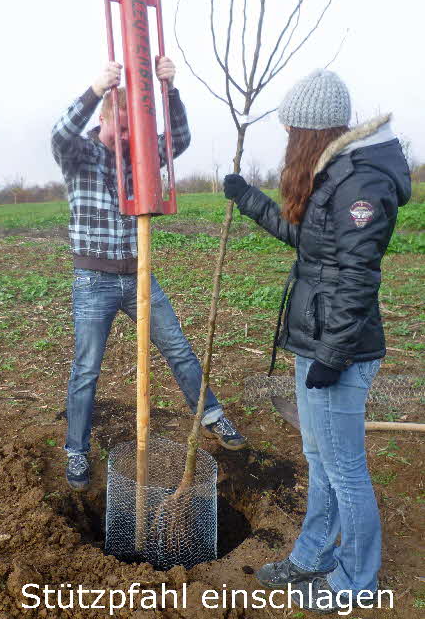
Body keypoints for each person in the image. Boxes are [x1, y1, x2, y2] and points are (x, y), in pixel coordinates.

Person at [224, 69, 410, 613]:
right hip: (316, 342)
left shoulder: (362, 183)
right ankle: (312, 555)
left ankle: (355, 583)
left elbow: (358, 276)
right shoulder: (334, 174)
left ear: (312, 131)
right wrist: (249, 199)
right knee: (319, 459)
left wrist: (332, 355)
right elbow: (307, 240)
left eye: (290, 132)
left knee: (345, 469)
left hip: (339, 352)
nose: (287, 143)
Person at [51, 58, 246, 491]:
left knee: (179, 349)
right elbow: (59, 134)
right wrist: (94, 88)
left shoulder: (140, 151)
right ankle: (77, 452)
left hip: (140, 275)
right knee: (86, 369)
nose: (125, 138)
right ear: (103, 119)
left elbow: (179, 139)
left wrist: (170, 90)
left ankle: (211, 414)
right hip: (94, 280)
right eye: (119, 129)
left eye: (130, 131)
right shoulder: (79, 153)